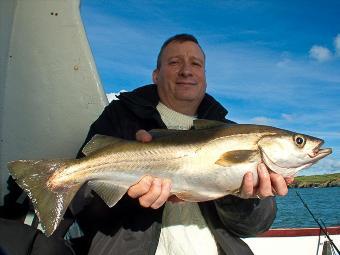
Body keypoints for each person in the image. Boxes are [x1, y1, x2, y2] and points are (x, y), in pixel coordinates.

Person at [71, 34, 293, 255]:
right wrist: (130, 197)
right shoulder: (120, 117)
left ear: (204, 77)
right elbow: (82, 208)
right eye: (174, 62)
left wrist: (240, 198)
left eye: (196, 64)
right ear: (156, 75)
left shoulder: (233, 133)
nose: (187, 70)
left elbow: (255, 227)